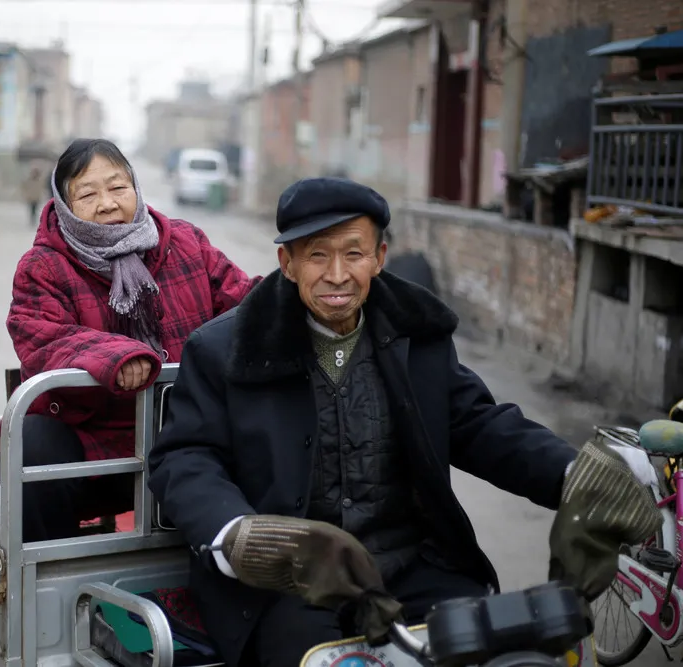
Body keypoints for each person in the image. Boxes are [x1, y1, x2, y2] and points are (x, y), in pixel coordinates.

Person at [147, 176, 660, 667]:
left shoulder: (419, 337)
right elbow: (185, 458)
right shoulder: (224, 349)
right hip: (289, 585)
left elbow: (478, 425)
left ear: (379, 258)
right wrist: (239, 533)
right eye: (317, 255)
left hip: (415, 566)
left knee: (505, 645)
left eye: (353, 253)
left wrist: (573, 476)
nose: (337, 274)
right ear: (287, 262)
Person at [5, 138, 261, 543]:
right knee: (33, 442)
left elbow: (246, 304)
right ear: (64, 204)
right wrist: (117, 355)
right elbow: (41, 337)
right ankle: (45, 585)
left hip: (187, 438)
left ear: (136, 189)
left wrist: (302, 298)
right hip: (97, 446)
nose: (107, 203)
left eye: (118, 188)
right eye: (87, 194)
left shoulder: (185, 243)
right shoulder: (43, 267)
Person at [20, 159, 51, 226]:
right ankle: (32, 220)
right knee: (32, 209)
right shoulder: (29, 179)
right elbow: (24, 187)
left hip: (37, 197)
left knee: (35, 209)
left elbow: (43, 185)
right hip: (31, 197)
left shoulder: (40, 180)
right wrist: (26, 194)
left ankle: (33, 220)